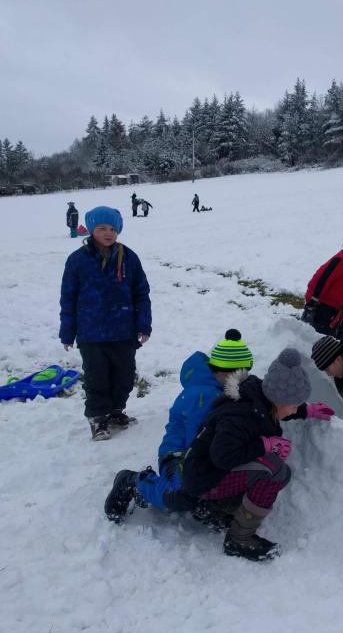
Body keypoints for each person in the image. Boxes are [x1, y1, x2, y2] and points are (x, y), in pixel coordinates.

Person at [181, 348, 334, 561]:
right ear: (279, 400)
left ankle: (216, 509)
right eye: (294, 406)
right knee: (274, 470)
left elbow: (273, 409)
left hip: (209, 473)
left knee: (277, 471)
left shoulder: (259, 399)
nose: (294, 409)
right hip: (203, 479)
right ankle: (239, 539)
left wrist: (306, 410)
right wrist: (264, 445)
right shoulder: (240, 416)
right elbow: (222, 456)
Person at [104, 329, 255, 523]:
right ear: (222, 371)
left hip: (207, 455)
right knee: (183, 496)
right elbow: (197, 444)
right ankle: (134, 482)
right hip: (179, 456)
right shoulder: (202, 397)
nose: (244, 377)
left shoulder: (227, 390)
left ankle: (205, 504)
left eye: (246, 371)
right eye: (239, 372)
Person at [59, 206, 151, 440]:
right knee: (96, 378)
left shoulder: (128, 257)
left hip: (124, 330)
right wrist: (68, 332)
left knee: (124, 376)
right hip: (91, 333)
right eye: (102, 228)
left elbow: (141, 293)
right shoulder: (78, 260)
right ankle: (98, 418)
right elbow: (68, 298)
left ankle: (116, 410)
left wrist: (144, 324)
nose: (108, 233)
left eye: (112, 229)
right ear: (91, 230)